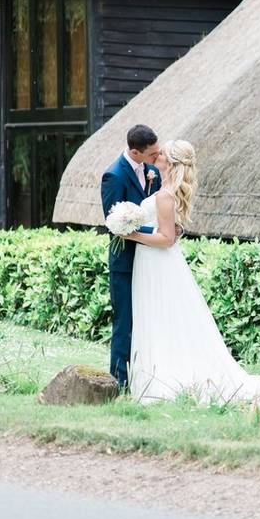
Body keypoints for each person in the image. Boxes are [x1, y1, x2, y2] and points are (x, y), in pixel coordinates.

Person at [123, 139, 260, 404]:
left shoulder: (166, 195)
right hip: (153, 261)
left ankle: (163, 377)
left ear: (170, 162)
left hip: (157, 261)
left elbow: (167, 238)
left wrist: (131, 234)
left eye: (162, 153)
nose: (158, 155)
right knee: (160, 314)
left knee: (160, 313)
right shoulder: (164, 188)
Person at [100, 125, 162, 390]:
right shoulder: (113, 176)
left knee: (150, 319)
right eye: (152, 155)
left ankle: (147, 376)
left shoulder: (153, 173)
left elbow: (158, 208)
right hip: (125, 263)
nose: (157, 159)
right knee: (124, 323)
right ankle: (120, 382)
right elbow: (115, 224)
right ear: (135, 152)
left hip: (151, 260)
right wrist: (159, 233)